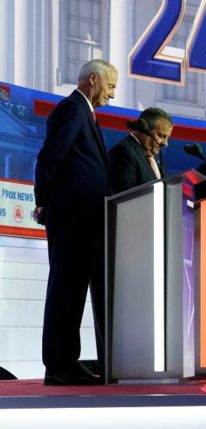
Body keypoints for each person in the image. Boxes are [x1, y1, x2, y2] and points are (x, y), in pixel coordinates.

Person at [34, 59, 118, 385]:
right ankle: (58, 366)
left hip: (86, 221)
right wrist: (43, 202)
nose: (112, 94)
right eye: (110, 86)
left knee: (73, 294)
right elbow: (49, 158)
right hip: (71, 218)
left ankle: (67, 361)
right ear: (93, 79)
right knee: (65, 292)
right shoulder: (72, 109)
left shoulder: (86, 113)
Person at [108, 107, 173, 194]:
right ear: (143, 128)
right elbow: (126, 197)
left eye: (167, 138)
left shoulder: (155, 159)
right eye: (161, 136)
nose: (165, 143)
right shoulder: (124, 152)